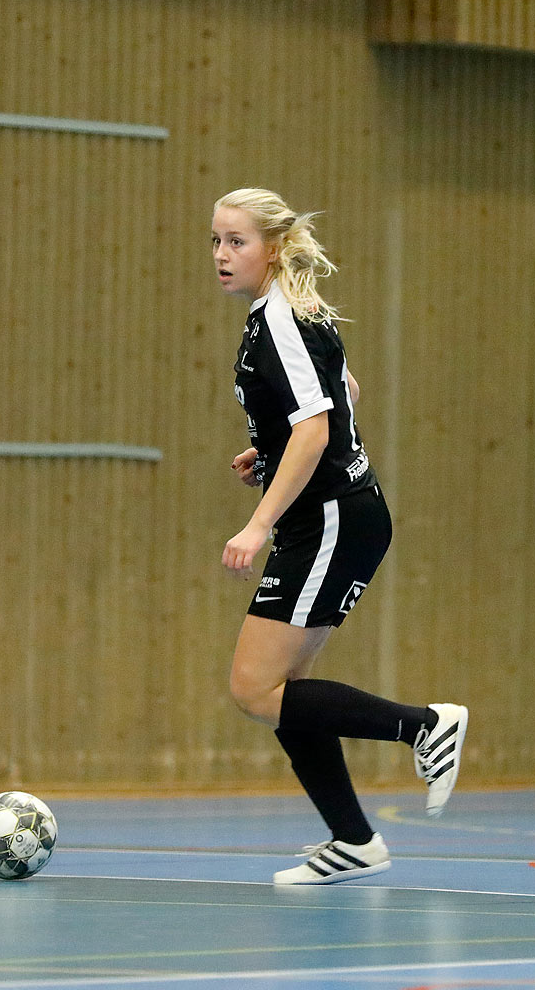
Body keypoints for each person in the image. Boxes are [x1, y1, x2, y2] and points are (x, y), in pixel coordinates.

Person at [211, 187, 468, 886]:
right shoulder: (286, 315)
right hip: (332, 513)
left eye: (237, 241)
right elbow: (343, 391)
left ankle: (423, 726)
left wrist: (259, 521)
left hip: (328, 518)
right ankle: (353, 840)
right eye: (216, 241)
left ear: (272, 246)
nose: (222, 256)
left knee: (254, 688)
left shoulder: (283, 323)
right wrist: (267, 455)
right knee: (282, 685)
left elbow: (319, 424)